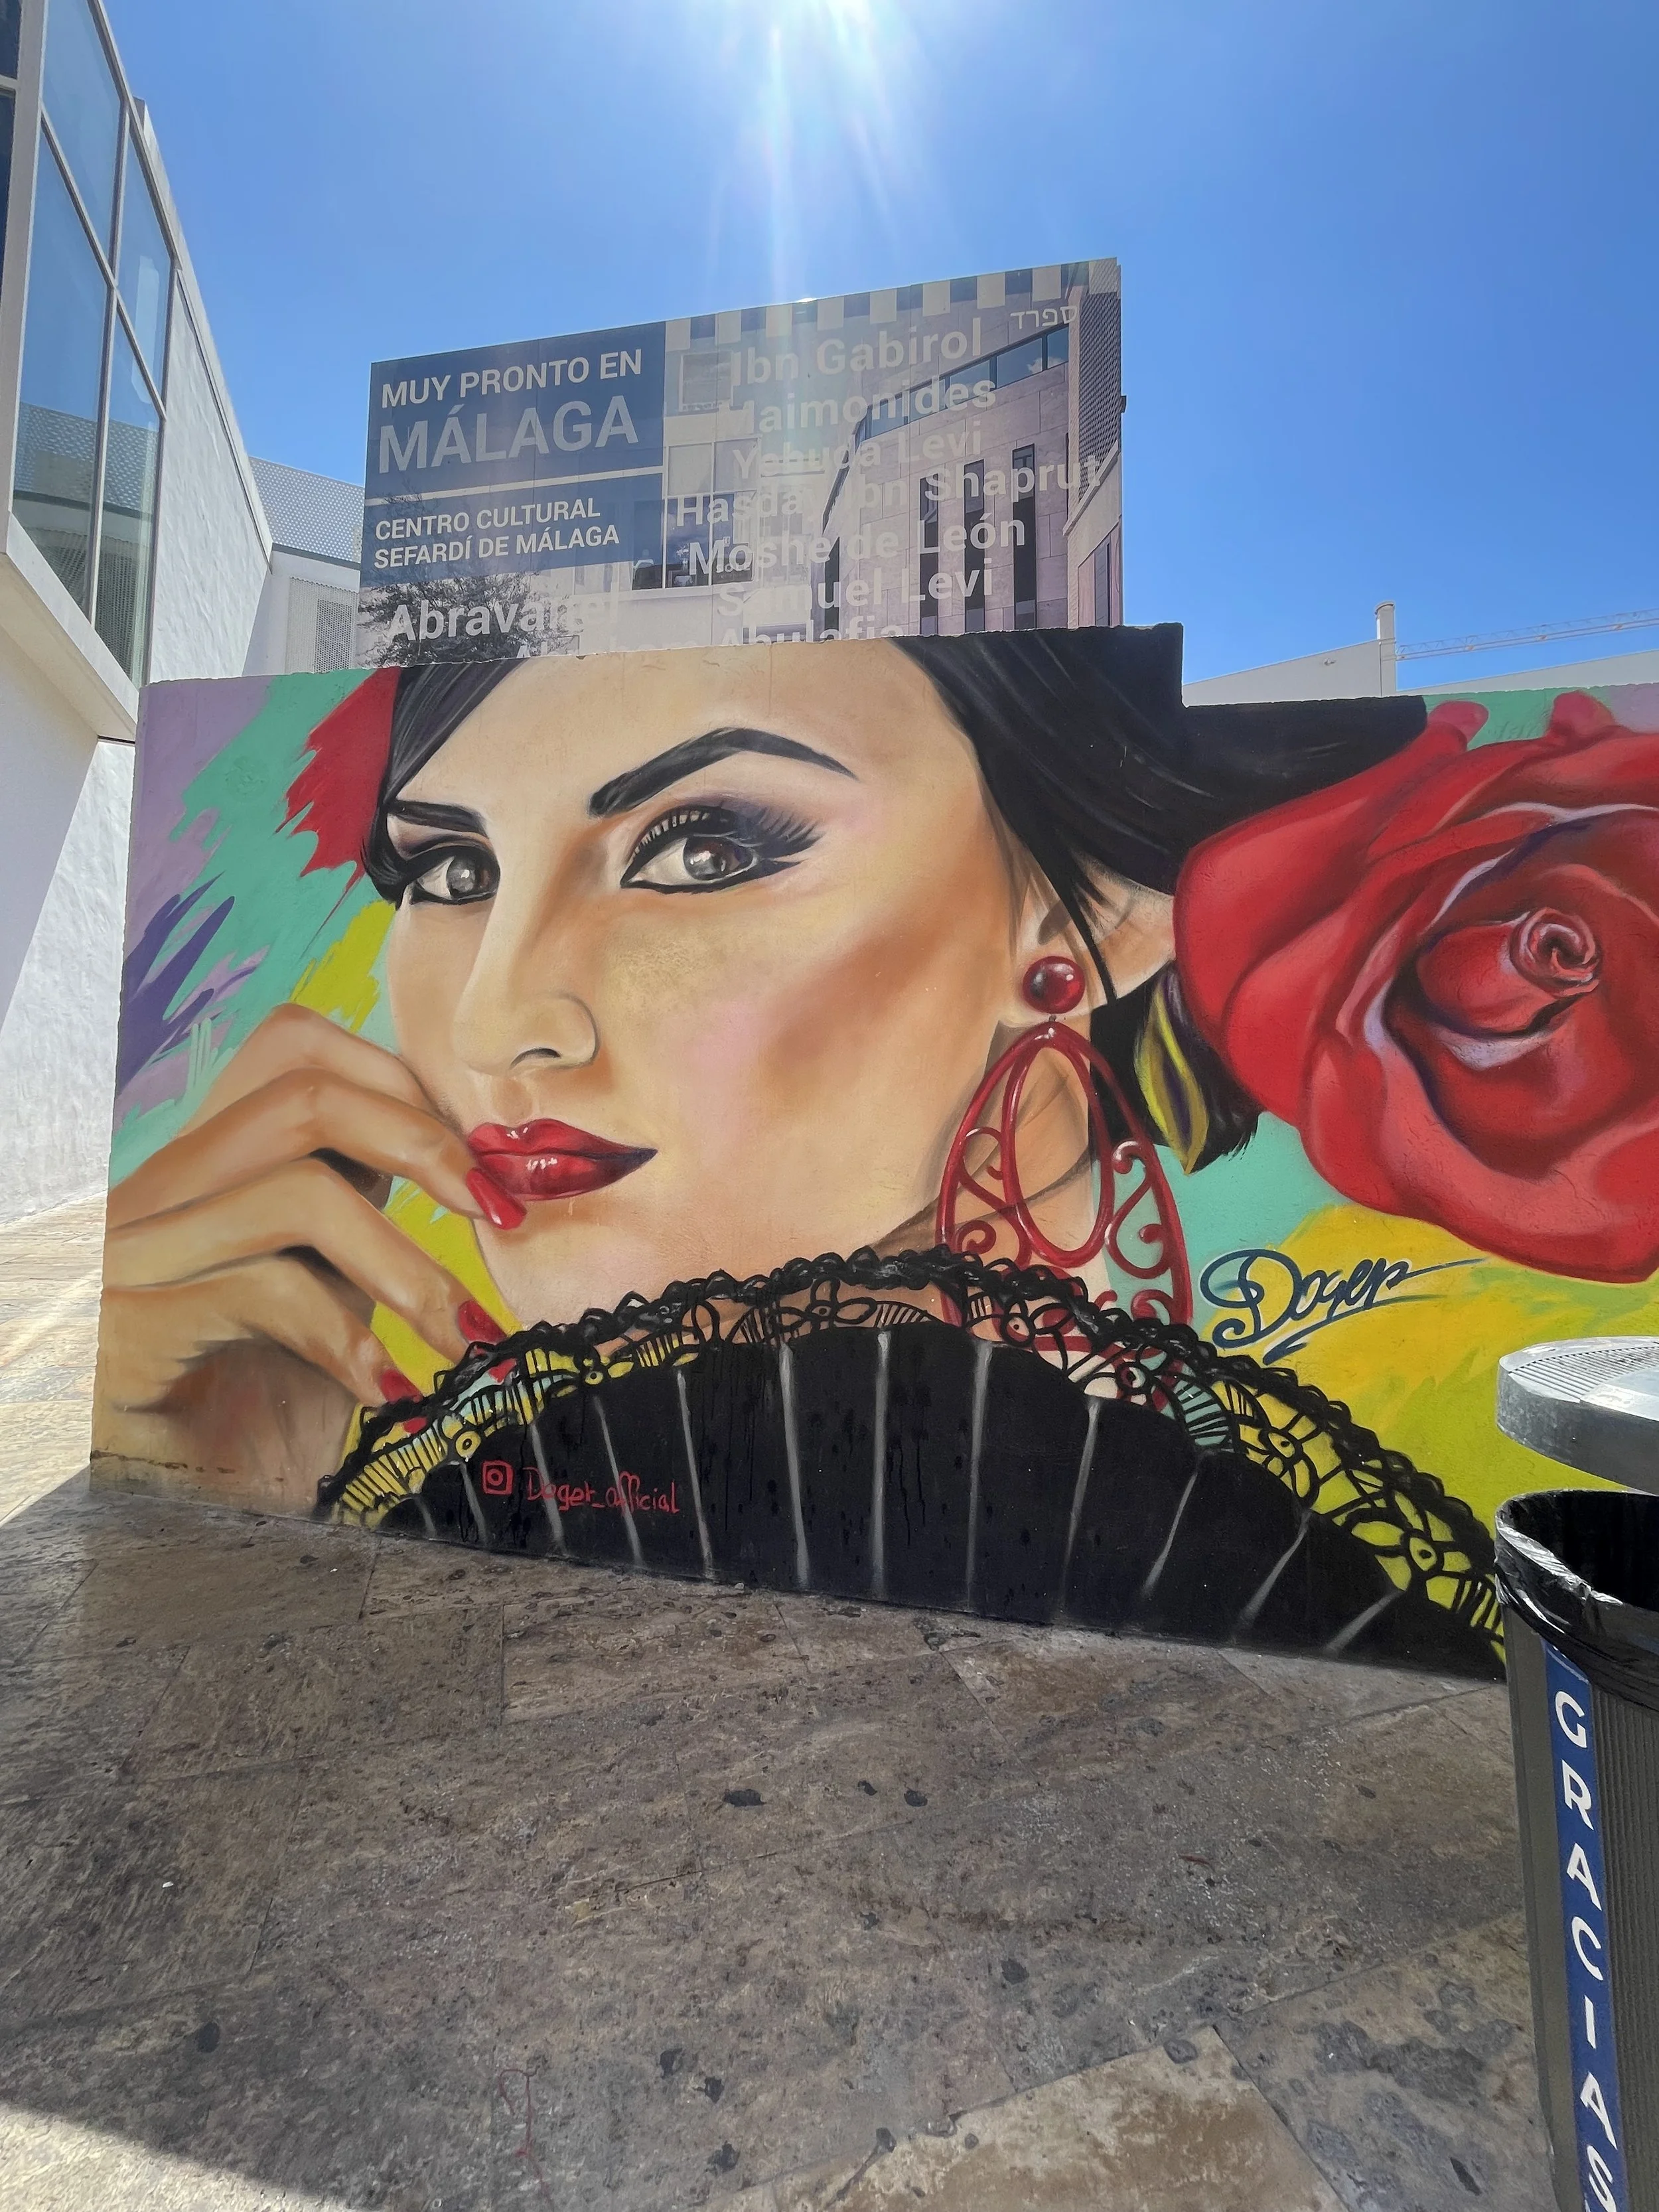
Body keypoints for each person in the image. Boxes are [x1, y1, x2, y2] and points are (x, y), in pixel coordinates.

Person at [96, 625, 1425, 1512]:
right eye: (452, 870)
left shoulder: (1209, 1548)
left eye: (705, 849)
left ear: (1078, 924)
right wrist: (220, 1474)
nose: (501, 1018)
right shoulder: (436, 1464)